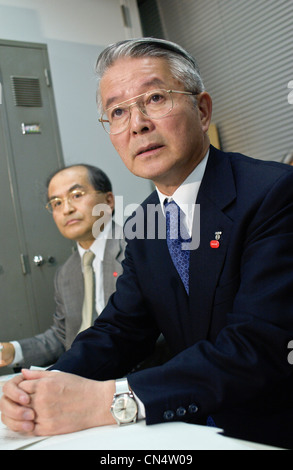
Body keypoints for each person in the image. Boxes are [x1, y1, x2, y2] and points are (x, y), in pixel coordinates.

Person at [1, 38, 293, 449]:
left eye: (155, 97)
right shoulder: (144, 222)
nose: (136, 123)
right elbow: (120, 329)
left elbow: (255, 347)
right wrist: (47, 384)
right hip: (187, 429)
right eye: (117, 111)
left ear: (202, 109)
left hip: (266, 430)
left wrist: (110, 400)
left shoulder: (272, 193)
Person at [0, 164, 125, 369]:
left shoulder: (137, 250)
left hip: (130, 376)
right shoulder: (66, 273)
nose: (67, 209)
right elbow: (63, 336)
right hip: (79, 376)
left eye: (76, 195)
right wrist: (13, 351)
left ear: (108, 201)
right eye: (56, 203)